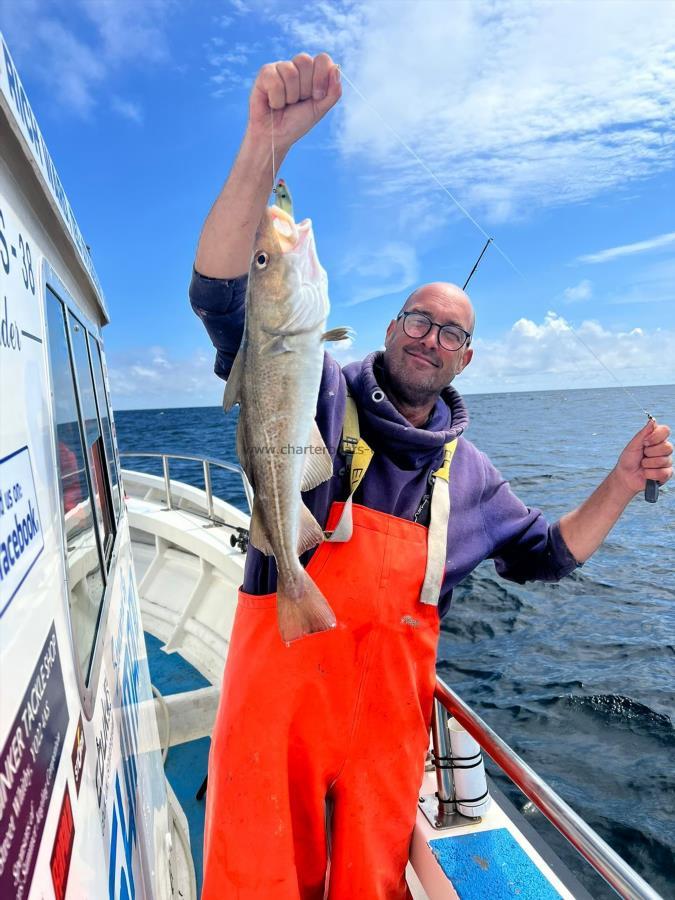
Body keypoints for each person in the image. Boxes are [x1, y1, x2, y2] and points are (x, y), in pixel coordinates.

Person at [189, 52, 673, 899]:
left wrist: (622, 481)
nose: (430, 339)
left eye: (450, 333)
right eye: (419, 319)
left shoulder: (473, 474)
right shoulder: (320, 393)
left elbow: (546, 556)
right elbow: (223, 294)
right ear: (387, 324)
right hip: (278, 714)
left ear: (467, 357)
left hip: (386, 742)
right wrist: (264, 149)